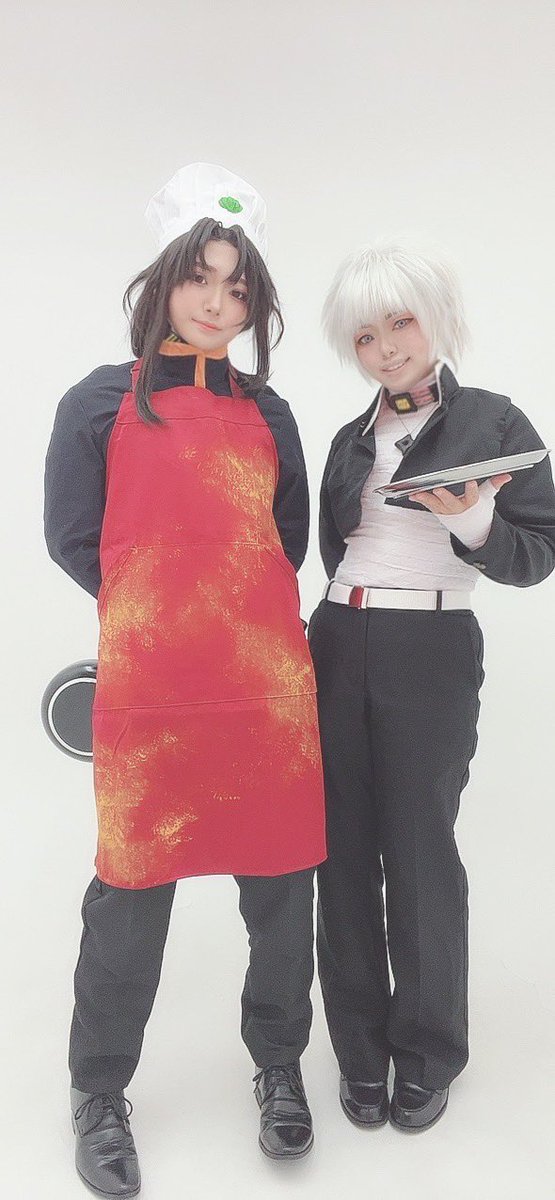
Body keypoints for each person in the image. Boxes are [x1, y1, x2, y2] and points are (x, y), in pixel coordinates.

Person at [44, 163, 326, 1196]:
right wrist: (159, 610)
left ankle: (280, 1066)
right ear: (163, 280)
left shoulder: (271, 412)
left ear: (254, 305)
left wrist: (225, 612)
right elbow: (74, 538)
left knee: (282, 895)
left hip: (265, 695)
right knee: (129, 899)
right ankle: (98, 1090)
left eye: (236, 287)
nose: (215, 302)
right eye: (199, 277)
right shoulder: (96, 403)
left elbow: (286, 543)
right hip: (152, 694)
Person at [309, 238, 555, 1133]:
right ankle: (359, 1054)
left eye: (399, 324)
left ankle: (427, 1052)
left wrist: (477, 517)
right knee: (337, 854)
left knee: (419, 851)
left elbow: (536, 556)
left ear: (436, 320)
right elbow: (327, 549)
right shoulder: (349, 439)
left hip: (431, 643)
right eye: (364, 336)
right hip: (334, 639)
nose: (385, 348)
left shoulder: (495, 422)